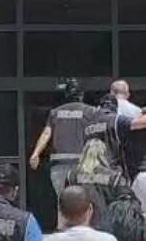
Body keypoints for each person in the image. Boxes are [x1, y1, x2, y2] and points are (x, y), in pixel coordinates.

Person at [28, 79, 95, 218]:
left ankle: (63, 227)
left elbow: (46, 133)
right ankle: (83, 227)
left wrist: (36, 153)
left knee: (62, 202)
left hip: (59, 163)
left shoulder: (55, 112)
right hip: (82, 164)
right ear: (81, 95)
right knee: (83, 200)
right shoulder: (90, 111)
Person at [84, 93, 146, 181]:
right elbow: (144, 122)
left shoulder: (88, 124)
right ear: (115, 108)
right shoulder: (115, 120)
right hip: (112, 174)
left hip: (90, 173)